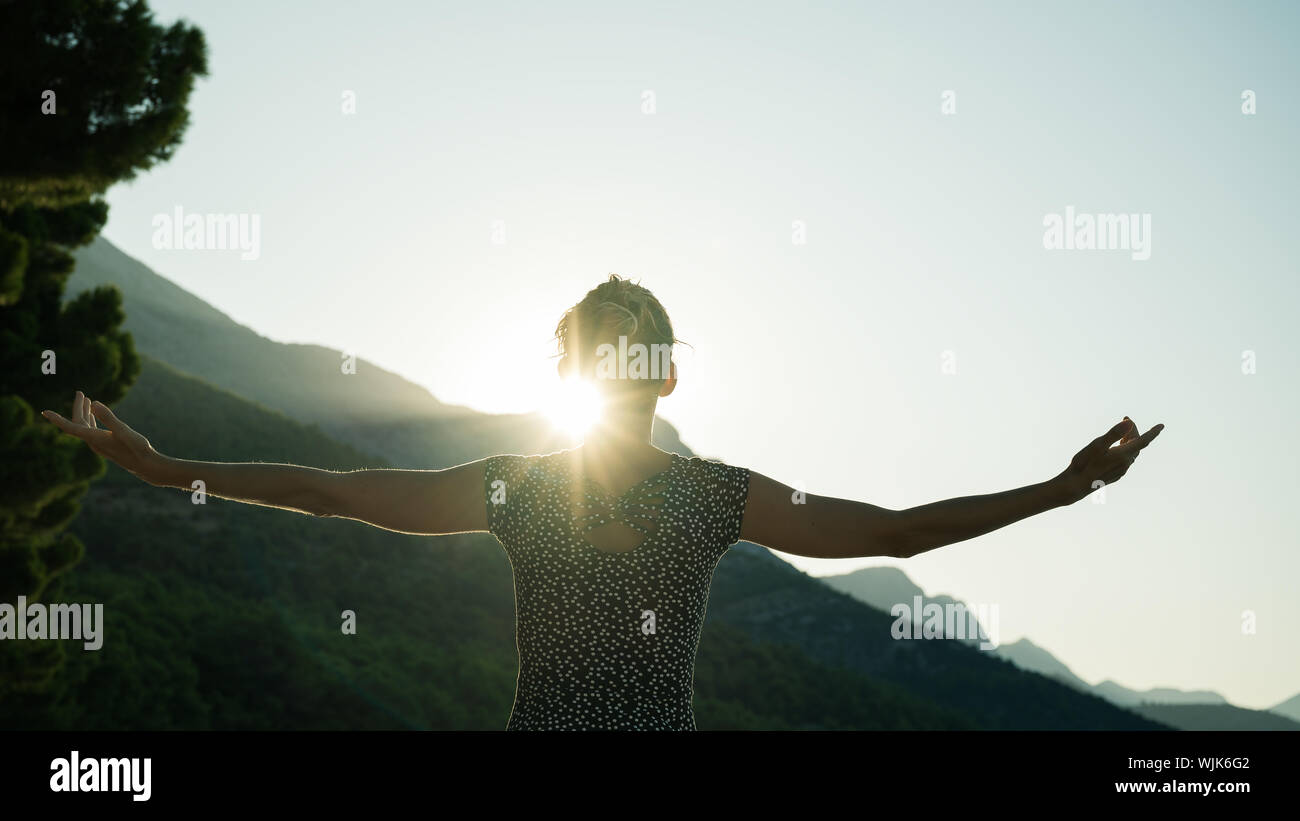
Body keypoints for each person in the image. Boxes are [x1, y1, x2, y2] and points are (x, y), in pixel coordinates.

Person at [41, 274, 1164, 730]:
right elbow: (890, 530)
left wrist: (157, 466)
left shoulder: (525, 491)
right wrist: (1062, 489)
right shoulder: (702, 496)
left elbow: (323, 490)